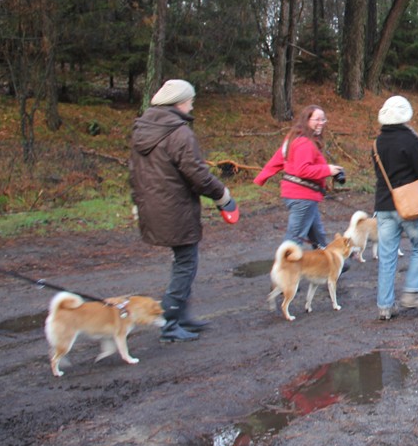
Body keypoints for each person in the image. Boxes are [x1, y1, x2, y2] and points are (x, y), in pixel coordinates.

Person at [129, 79, 238, 343]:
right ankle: (169, 322)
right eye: (191, 100)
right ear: (179, 102)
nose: (192, 104)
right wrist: (223, 196)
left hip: (152, 207)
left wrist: (137, 203)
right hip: (175, 209)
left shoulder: (142, 129)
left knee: (183, 261)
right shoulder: (179, 133)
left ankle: (181, 315)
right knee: (186, 264)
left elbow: (134, 172)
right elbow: (197, 175)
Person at [371, 96, 418, 320]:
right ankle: (411, 293)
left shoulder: (377, 143)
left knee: (387, 255)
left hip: (383, 204)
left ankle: (384, 305)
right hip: (409, 204)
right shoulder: (409, 140)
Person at [254, 105, 345, 249]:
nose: (321, 123)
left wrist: (262, 177)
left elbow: (279, 157)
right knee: (294, 240)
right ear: (307, 120)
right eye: (317, 119)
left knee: (318, 235)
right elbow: (303, 170)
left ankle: (331, 266)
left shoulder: (295, 137)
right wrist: (327, 170)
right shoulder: (305, 142)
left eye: (323, 120)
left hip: (302, 195)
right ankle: (283, 270)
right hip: (302, 197)